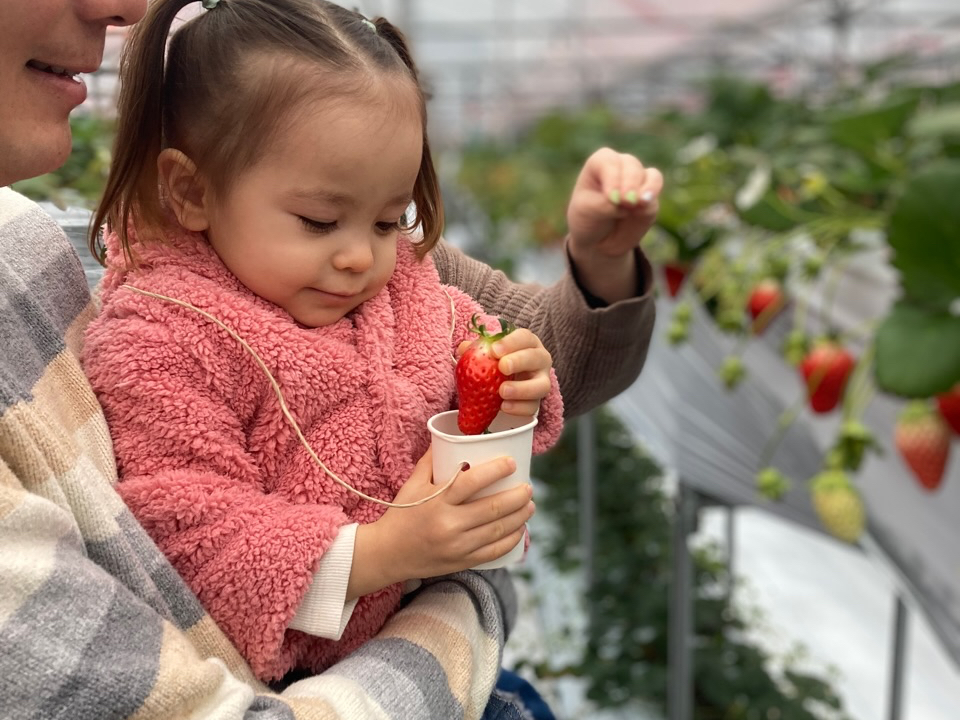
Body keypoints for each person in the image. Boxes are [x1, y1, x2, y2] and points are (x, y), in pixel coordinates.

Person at [0, 1, 660, 718]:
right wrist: (383, 553)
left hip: (443, 670)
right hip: (298, 684)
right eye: (319, 221)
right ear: (190, 190)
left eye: (389, 218)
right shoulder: (165, 336)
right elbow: (189, 526)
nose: (359, 256)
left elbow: (530, 356)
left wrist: (521, 380)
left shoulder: (401, 279)